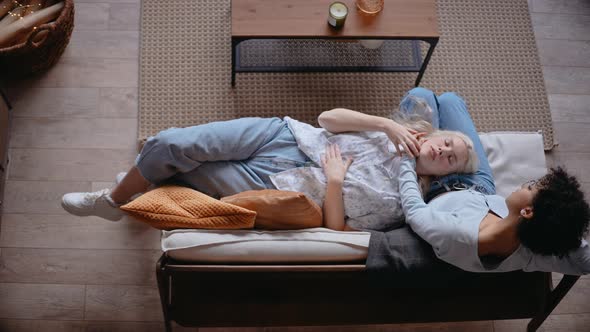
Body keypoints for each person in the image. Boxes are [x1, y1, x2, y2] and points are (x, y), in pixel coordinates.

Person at [61, 89, 478, 231]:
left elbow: (338, 227)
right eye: (447, 144)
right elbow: (326, 119)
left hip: (282, 182)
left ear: (446, 175)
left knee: (184, 168)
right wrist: (386, 125)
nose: (444, 152)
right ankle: (116, 201)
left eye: (451, 159)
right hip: (285, 134)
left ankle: (125, 192)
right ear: (432, 137)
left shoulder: (401, 203)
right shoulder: (392, 133)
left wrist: (334, 181)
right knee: (170, 143)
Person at [378, 89, 590, 274]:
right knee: (451, 101)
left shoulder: (457, 236)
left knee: (422, 96)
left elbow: (414, 210)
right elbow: (584, 262)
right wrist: (570, 227)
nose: (524, 184)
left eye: (531, 187)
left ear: (527, 211)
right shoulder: (533, 248)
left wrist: (407, 156)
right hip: (479, 184)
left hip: (431, 187)